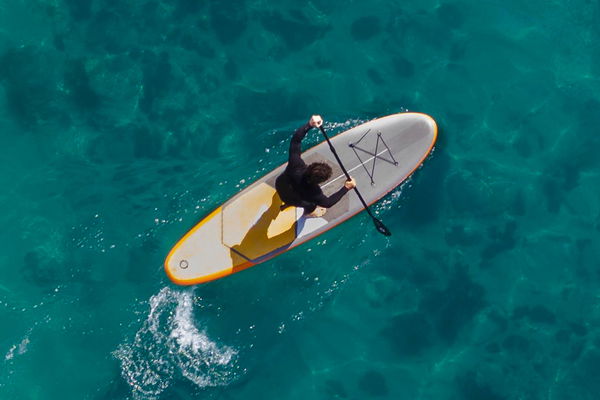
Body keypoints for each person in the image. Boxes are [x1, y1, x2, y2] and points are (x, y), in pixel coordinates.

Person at [275, 115, 356, 217]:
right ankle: (308, 213)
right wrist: (346, 187)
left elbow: (295, 141)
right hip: (291, 199)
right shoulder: (314, 192)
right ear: (320, 182)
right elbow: (328, 203)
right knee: (311, 205)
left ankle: (286, 202)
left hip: (280, 184)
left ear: (310, 166)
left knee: (289, 190)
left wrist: (309, 125)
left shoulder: (296, 164)